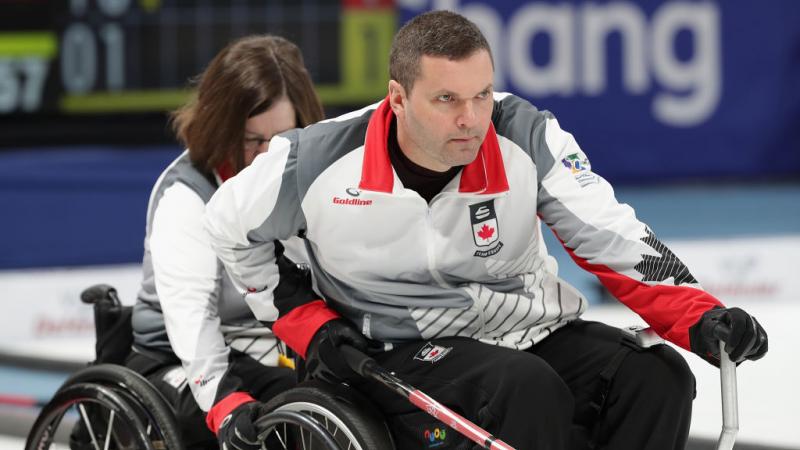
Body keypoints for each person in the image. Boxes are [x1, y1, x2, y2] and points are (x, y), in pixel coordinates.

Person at [203, 12, 767, 450]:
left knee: (656, 376)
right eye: (446, 99)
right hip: (395, 347)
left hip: (526, 330)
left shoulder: (525, 135)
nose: (471, 119)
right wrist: (309, 324)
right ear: (398, 99)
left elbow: (609, 232)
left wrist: (700, 315)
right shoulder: (315, 161)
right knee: (526, 389)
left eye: (480, 94)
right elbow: (227, 226)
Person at [127, 35, 324, 450]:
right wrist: (224, 402)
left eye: (283, 138)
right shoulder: (187, 195)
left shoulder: (312, 177)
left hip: (272, 350)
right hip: (178, 358)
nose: (268, 156)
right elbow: (192, 321)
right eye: (252, 140)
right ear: (222, 128)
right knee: (291, 413)